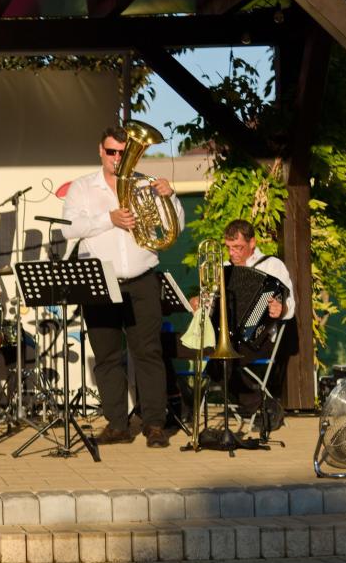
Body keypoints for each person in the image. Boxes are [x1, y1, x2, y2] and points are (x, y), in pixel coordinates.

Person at [61, 125, 184, 448]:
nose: (117, 158)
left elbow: (174, 228)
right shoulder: (82, 187)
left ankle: (154, 424)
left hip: (142, 279)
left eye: (122, 152)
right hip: (99, 280)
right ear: (100, 151)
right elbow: (69, 229)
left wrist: (171, 198)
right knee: (106, 356)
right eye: (111, 152)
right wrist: (109, 219)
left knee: (149, 353)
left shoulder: (146, 185)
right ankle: (117, 424)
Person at [208, 219, 295, 426]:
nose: (233, 253)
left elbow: (290, 306)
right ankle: (261, 406)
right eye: (229, 248)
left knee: (222, 362)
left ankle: (261, 407)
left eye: (238, 247)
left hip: (259, 338)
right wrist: (201, 303)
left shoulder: (271, 265)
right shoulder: (225, 269)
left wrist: (280, 309)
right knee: (172, 346)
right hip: (224, 336)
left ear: (252, 243)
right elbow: (213, 307)